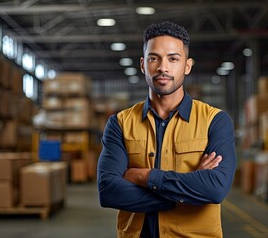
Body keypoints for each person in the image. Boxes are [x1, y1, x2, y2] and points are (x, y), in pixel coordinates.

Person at [97, 21, 237, 238]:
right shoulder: (119, 123)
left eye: (173, 58)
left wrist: (146, 177)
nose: (163, 67)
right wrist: (188, 191)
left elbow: (215, 188)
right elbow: (108, 191)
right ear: (143, 65)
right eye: (154, 58)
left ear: (187, 66)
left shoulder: (214, 121)